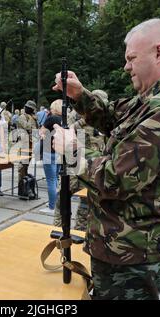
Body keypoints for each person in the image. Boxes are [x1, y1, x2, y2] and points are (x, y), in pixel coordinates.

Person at [52, 18, 160, 300]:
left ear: (158, 53)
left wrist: (73, 149)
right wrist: (80, 95)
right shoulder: (154, 98)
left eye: (132, 58)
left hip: (132, 253)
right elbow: (114, 116)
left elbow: (116, 178)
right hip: (123, 246)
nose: (126, 66)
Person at [53, 90, 108, 231]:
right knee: (62, 202)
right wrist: (85, 120)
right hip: (71, 167)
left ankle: (79, 232)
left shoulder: (105, 122)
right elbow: (65, 135)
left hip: (90, 168)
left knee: (85, 205)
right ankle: (58, 231)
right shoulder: (74, 117)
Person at [38, 99, 62, 214]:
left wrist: (42, 135)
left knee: (51, 180)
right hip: (59, 152)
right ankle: (55, 203)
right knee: (56, 178)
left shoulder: (51, 119)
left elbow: (41, 131)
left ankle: (52, 207)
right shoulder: (64, 119)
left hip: (49, 151)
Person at [17, 100, 38, 183]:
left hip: (30, 143)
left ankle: (25, 181)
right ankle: (21, 183)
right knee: (22, 164)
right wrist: (31, 118)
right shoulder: (23, 117)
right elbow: (28, 127)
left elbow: (36, 129)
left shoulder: (33, 117)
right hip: (23, 143)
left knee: (26, 164)